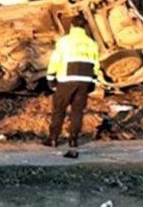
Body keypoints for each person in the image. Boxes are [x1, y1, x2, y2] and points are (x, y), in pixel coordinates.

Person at [44, 17, 103, 148]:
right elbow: (95, 64)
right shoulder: (92, 43)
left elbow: (55, 60)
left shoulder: (64, 41)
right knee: (77, 111)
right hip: (84, 81)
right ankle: (73, 140)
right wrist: (93, 81)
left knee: (59, 110)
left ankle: (53, 139)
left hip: (66, 80)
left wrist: (50, 78)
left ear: (71, 25)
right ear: (85, 27)